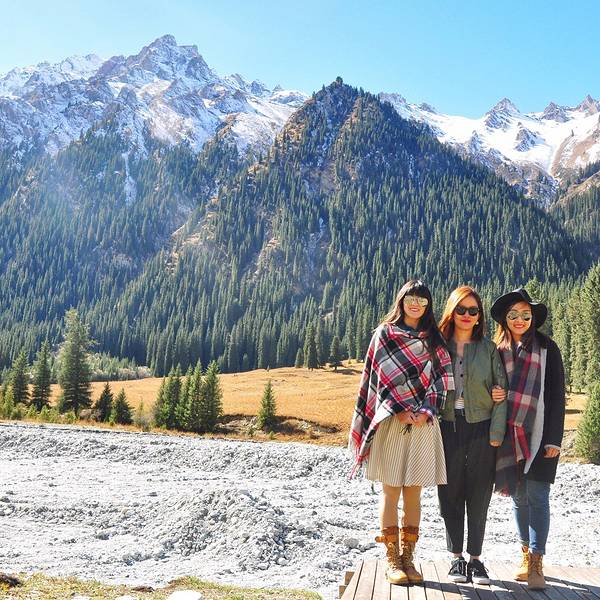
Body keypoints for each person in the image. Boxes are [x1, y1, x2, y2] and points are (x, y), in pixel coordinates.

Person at [349, 279, 454, 585]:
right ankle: (392, 558)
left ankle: (409, 558)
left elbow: (442, 379)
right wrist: (399, 410)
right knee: (391, 490)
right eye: (411, 298)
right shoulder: (385, 334)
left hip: (423, 424)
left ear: (428, 304)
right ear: (401, 301)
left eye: (422, 299)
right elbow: (377, 379)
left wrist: (426, 411)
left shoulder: (434, 338)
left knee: (414, 494)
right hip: (392, 422)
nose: (416, 304)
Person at [491, 288, 565, 590]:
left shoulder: (547, 348)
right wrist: (494, 394)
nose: (519, 320)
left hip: (540, 433)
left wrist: (554, 439)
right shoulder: (497, 349)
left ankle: (536, 561)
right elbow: (489, 386)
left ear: (533, 318)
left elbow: (557, 395)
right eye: (513, 315)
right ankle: (524, 554)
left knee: (538, 495)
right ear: (505, 319)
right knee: (518, 496)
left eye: (525, 314)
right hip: (509, 435)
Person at [437, 286, 508, 584]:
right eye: (461, 309)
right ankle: (456, 558)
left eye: (473, 310)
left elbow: (501, 392)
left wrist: (496, 432)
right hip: (447, 425)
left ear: (479, 316)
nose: (467, 315)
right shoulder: (438, 346)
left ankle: (476, 560)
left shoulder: (488, 349)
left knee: (479, 493)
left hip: (481, 426)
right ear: (452, 312)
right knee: (449, 491)